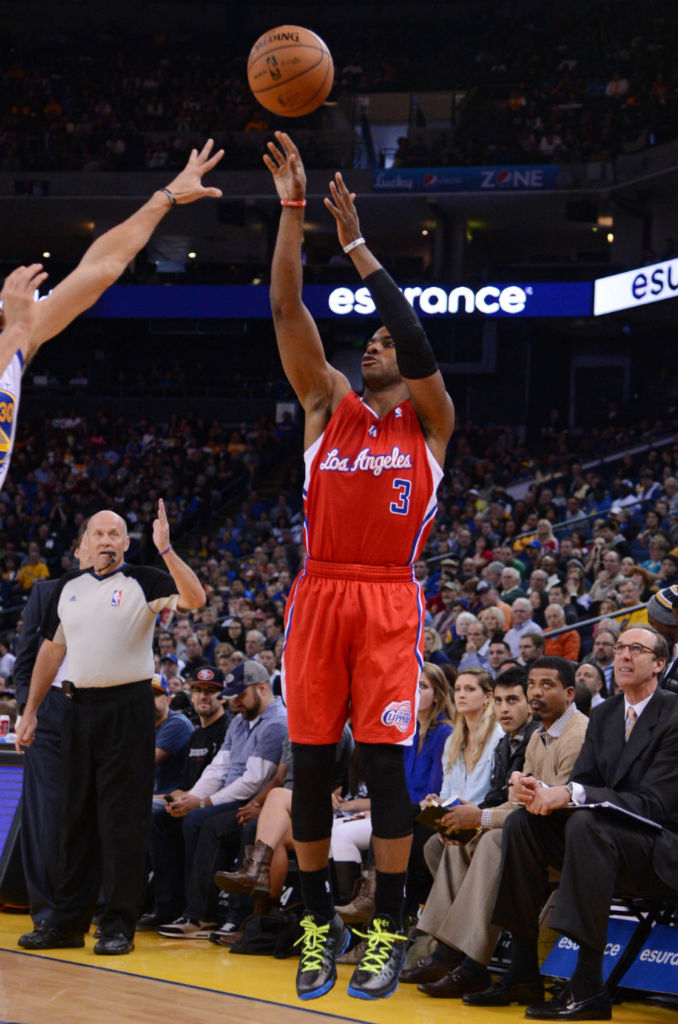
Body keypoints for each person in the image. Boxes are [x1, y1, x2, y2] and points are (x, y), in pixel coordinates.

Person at [263, 131, 455, 1001]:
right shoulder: (326, 402)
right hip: (320, 591)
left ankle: (386, 929)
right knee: (307, 765)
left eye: (383, 341)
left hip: (386, 603)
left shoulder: (432, 424)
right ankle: (313, 929)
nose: (374, 345)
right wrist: (294, 215)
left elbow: (419, 343)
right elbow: (285, 313)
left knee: (381, 770)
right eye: (369, 339)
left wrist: (361, 249)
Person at [15, 502, 205, 955]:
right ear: (83, 545)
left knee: (122, 820)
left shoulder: (145, 579)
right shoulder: (68, 588)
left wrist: (167, 550)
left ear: (124, 543)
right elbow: (50, 651)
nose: (105, 540)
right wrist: (31, 711)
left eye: (114, 533)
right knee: (74, 819)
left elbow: (196, 600)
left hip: (128, 708)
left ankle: (118, 924)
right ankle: (66, 922)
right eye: (97, 533)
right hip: (76, 707)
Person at [467, 628, 678, 1019]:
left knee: (586, 825)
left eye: (637, 649)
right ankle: (522, 969)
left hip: (659, 848)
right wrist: (538, 789)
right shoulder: (606, 713)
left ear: (660, 664)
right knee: (522, 825)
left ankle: (587, 985)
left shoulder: (674, 714)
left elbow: (655, 804)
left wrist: (570, 795)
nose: (624, 656)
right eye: (619, 648)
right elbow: (584, 782)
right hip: (602, 842)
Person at [0, 141, 223, 490]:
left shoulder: (16, 342)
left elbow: (101, 268)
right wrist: (15, 330)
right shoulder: (15, 335)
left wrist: (166, 197)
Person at [12, 520, 91, 933]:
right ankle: (46, 911)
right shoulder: (47, 592)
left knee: (91, 812)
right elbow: (25, 664)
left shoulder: (125, 592)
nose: (101, 548)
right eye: (93, 540)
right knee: (48, 814)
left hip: (103, 715)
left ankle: (85, 904)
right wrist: (32, 711)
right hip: (53, 712)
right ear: (77, 551)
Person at [140, 665, 228, 930]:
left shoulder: (227, 730)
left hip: (216, 802)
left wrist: (188, 799)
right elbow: (185, 784)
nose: (204, 696)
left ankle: (196, 911)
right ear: (190, 695)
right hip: (190, 799)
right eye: (199, 690)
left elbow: (223, 779)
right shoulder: (195, 734)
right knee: (157, 818)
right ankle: (164, 908)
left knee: (189, 821)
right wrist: (175, 797)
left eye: (211, 691)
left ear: (223, 697)